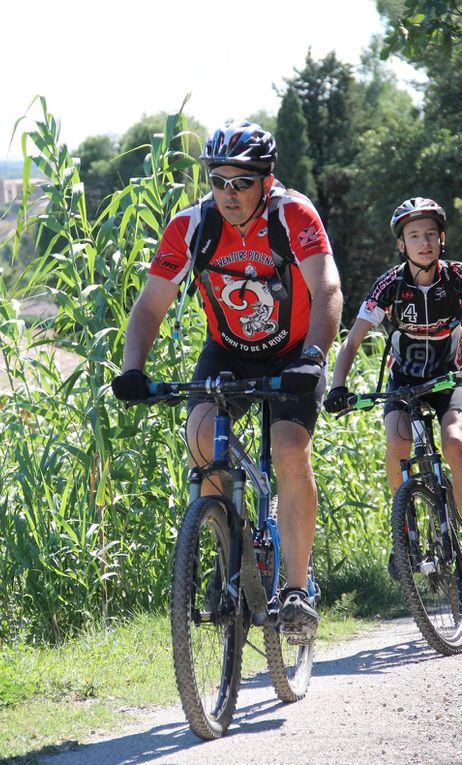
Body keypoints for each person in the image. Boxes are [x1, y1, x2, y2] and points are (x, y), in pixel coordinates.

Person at [112, 120, 342, 637]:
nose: (228, 194)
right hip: (228, 351)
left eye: (241, 182)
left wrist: (315, 357)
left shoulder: (292, 215)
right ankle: (232, 558)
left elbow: (327, 288)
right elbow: (150, 307)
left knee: (287, 447)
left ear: (266, 180)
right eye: (219, 181)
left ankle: (298, 591)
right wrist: (132, 368)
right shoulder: (191, 226)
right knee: (199, 439)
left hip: (293, 355)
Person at [325, 197, 462, 571]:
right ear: (401, 245)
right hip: (403, 382)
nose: (424, 242)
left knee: (455, 441)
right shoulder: (390, 285)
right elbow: (352, 341)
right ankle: (404, 533)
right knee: (398, 441)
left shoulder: (457, 278)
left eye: (431, 234)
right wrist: (338, 387)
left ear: (442, 239)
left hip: (450, 378)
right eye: (414, 235)